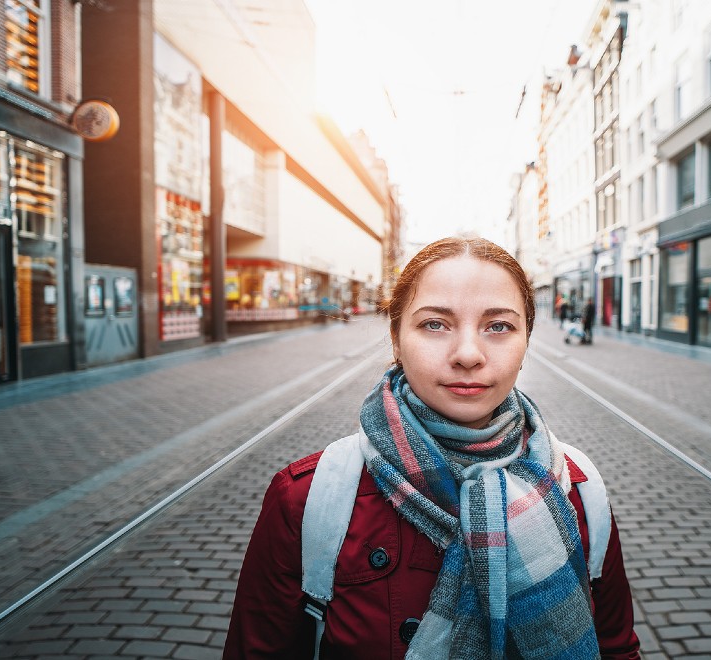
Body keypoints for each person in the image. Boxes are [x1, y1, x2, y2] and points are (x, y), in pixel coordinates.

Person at [223, 236, 641, 660]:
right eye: (435, 324)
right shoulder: (307, 499)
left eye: (499, 326)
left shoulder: (579, 492)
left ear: (526, 341)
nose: (467, 354)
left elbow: (617, 649)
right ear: (396, 339)